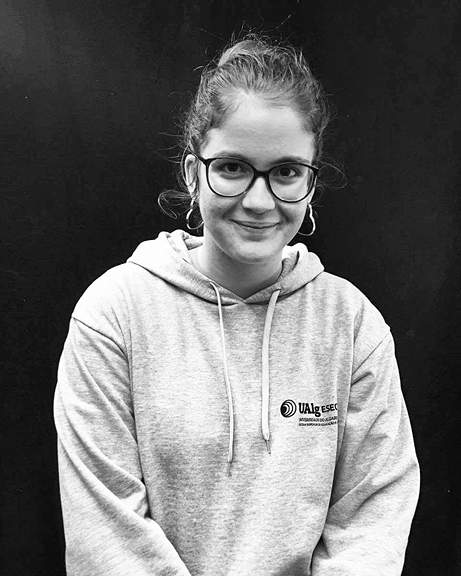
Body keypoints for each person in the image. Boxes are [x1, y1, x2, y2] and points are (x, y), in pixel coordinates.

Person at [53, 33, 420, 576]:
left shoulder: (352, 325)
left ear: (311, 181)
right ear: (192, 172)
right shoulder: (113, 317)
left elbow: (374, 514)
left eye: (287, 172)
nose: (259, 200)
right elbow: (105, 538)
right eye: (232, 167)